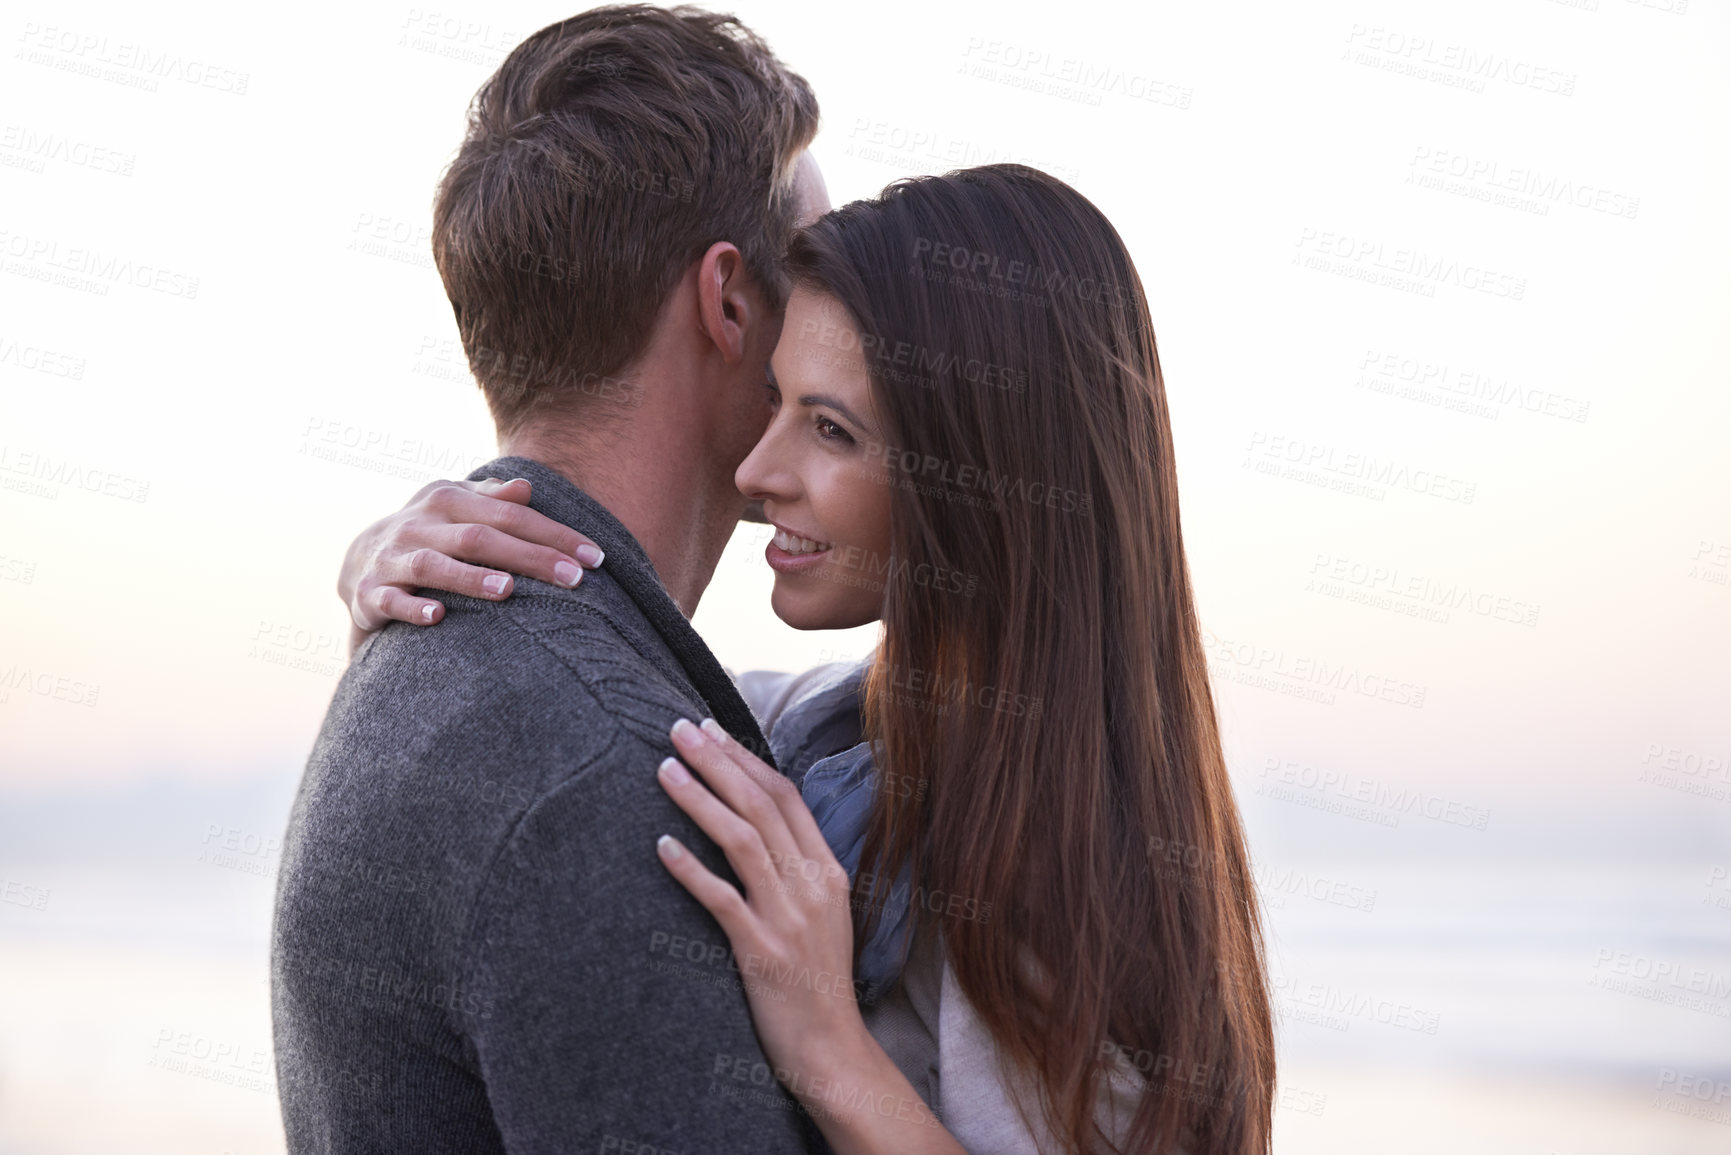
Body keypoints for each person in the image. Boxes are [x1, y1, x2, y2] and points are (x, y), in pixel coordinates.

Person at [339, 164, 1278, 1153]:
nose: (756, 472)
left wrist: (832, 1051)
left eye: (832, 430)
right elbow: (523, 739)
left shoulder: (1079, 881)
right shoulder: (800, 736)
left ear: (982, 478)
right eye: (775, 401)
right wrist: (391, 583)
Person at [270, 7, 837, 1152]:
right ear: (728, 302)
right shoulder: (607, 783)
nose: (843, 319)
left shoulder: (431, 668)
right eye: (816, 274)